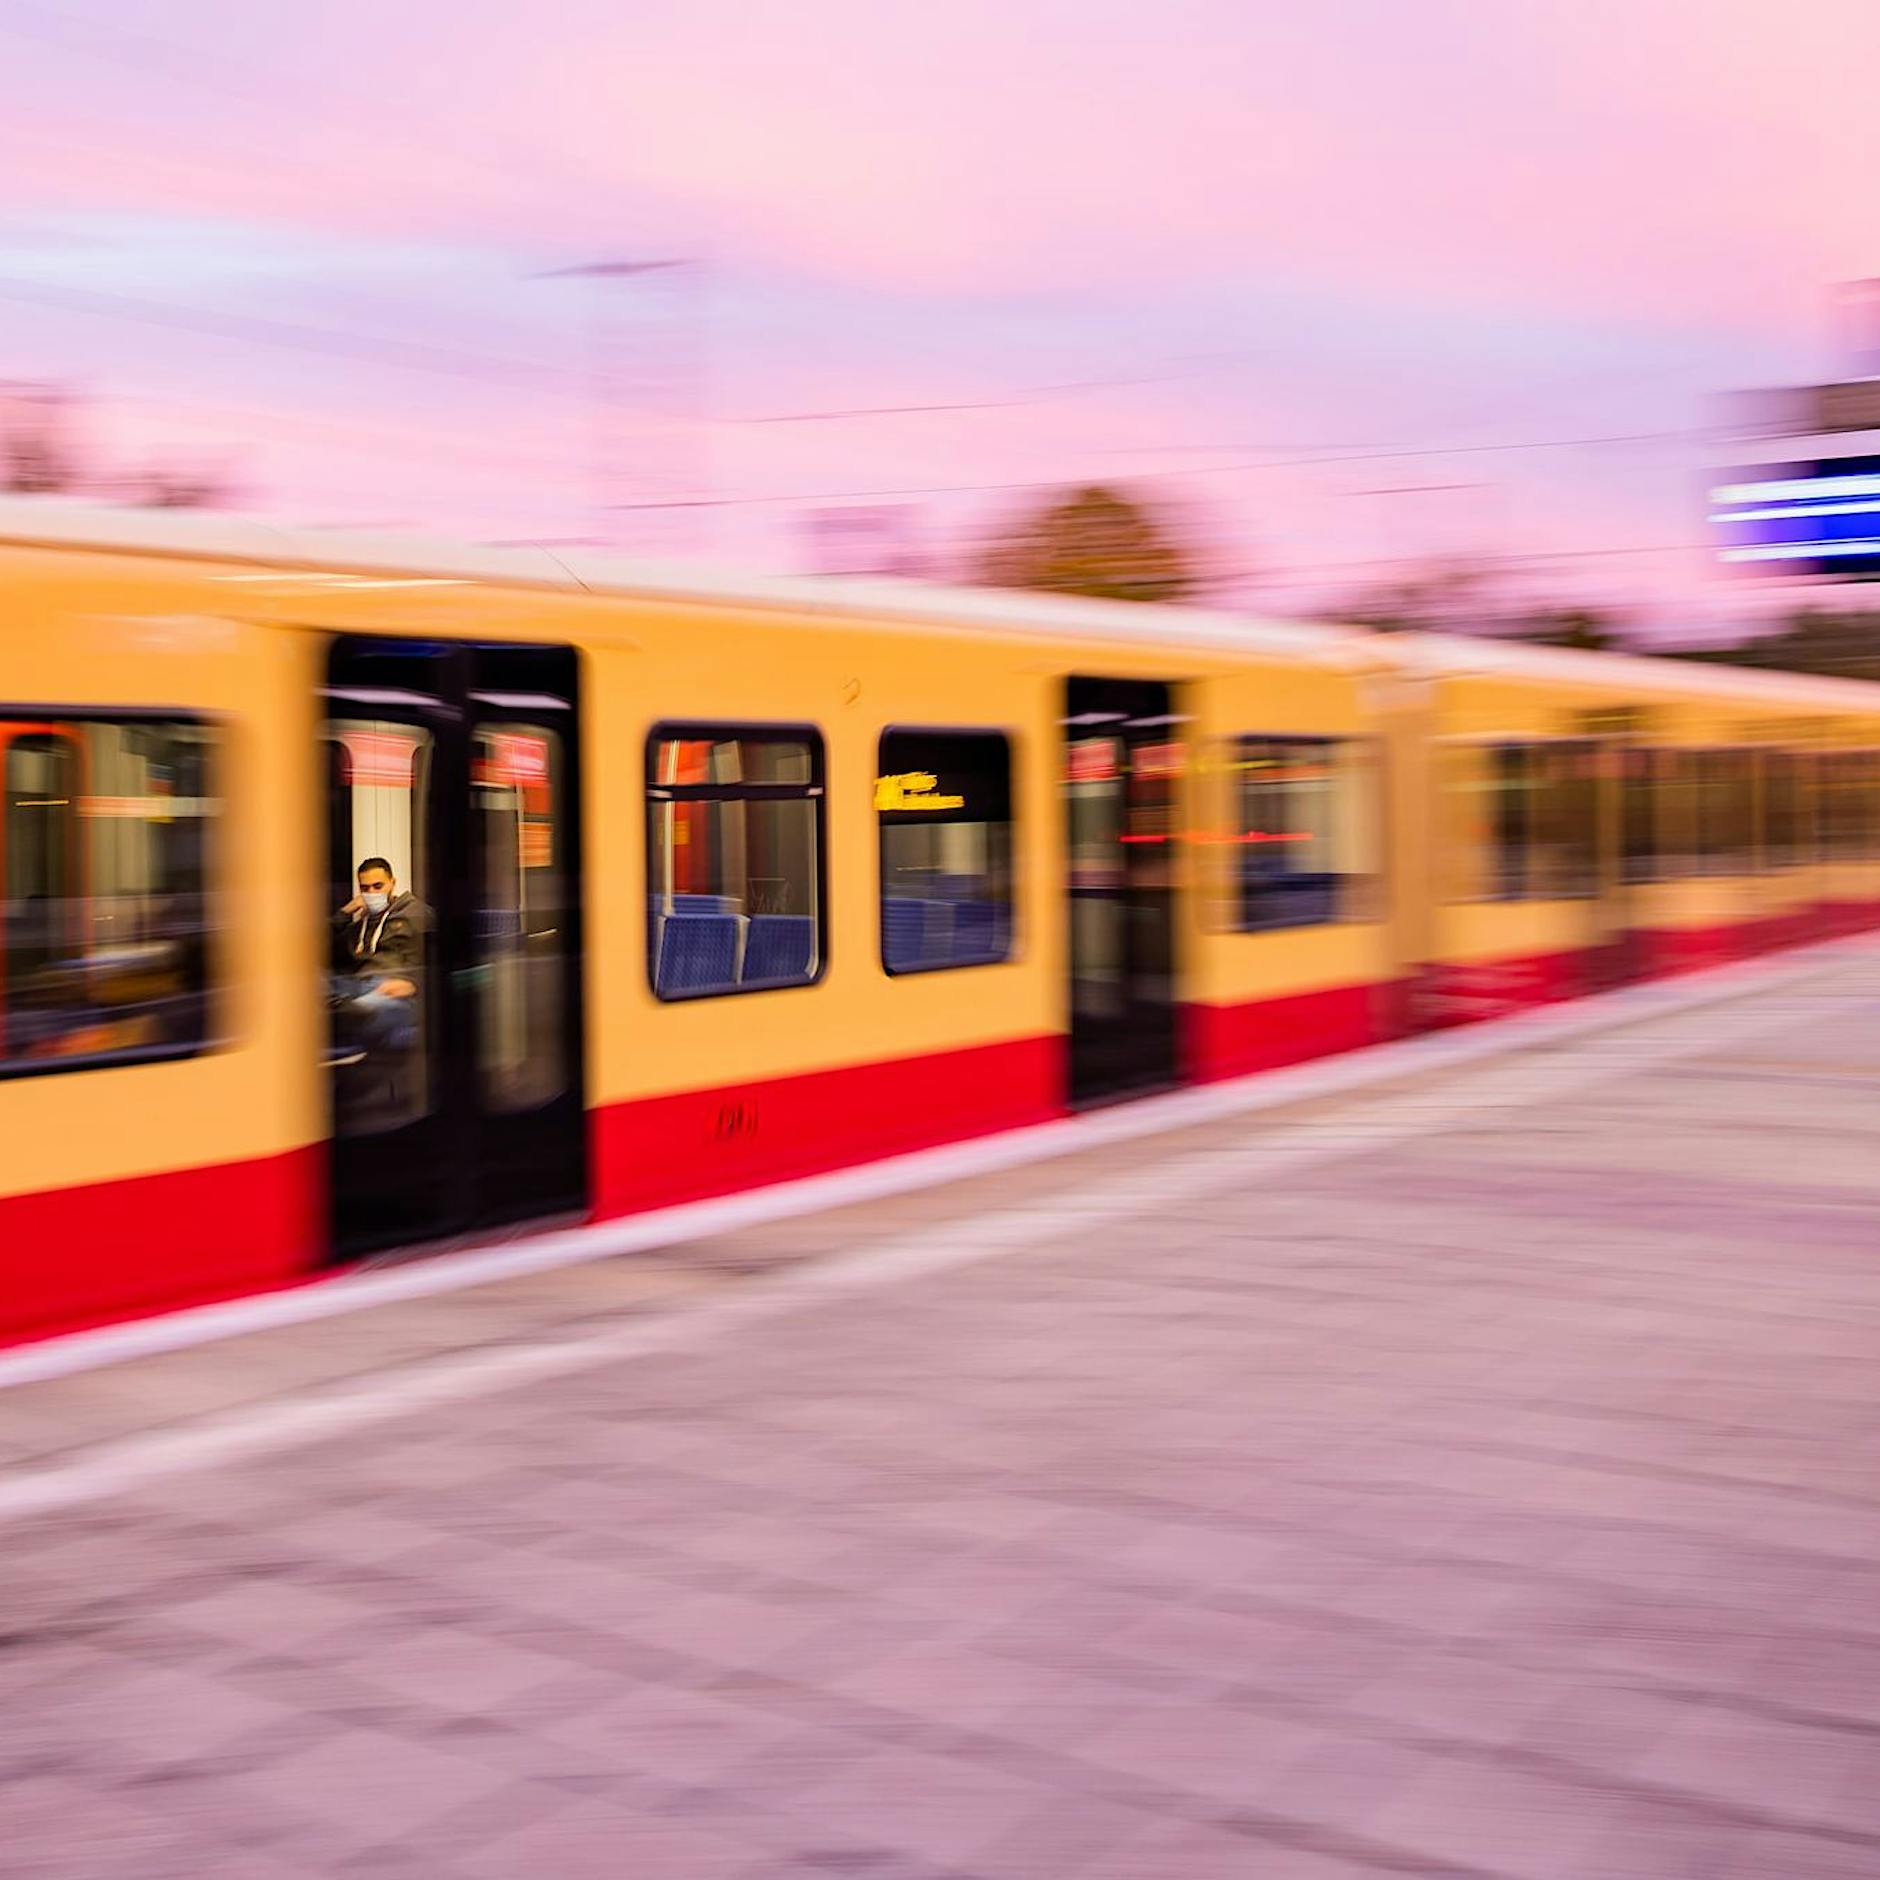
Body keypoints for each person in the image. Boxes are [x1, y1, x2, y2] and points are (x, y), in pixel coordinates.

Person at [329, 858, 430, 1063]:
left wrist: (414, 983)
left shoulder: (415, 914)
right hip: (358, 985)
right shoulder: (362, 922)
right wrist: (345, 912)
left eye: (378, 886)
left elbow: (438, 956)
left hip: (393, 990)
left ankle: (343, 1019)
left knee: (365, 1011)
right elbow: (311, 947)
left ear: (393, 883)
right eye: (365, 888)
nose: (372, 893)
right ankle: (343, 1014)